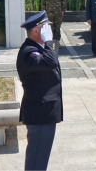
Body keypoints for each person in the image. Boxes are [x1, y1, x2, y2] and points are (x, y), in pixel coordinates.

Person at [16, 10, 63, 170]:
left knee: (40, 160)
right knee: (36, 162)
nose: (48, 30)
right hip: (39, 115)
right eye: (45, 27)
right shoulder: (29, 51)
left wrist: (50, 43)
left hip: (45, 113)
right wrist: (49, 41)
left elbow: (52, 59)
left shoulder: (39, 47)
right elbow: (51, 62)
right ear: (36, 31)